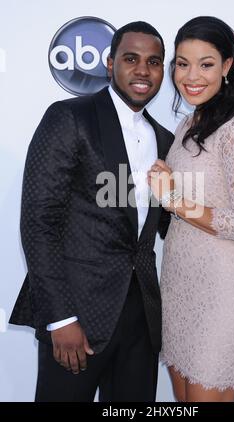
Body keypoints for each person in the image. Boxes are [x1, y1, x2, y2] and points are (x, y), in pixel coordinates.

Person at [9, 21, 174, 402]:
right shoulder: (71, 117)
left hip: (141, 320)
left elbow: (158, 224)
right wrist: (61, 317)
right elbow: (39, 221)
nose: (143, 70)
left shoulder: (163, 139)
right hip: (76, 316)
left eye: (154, 62)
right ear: (110, 61)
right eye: (131, 59)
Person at [148, 16, 234, 402]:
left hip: (224, 294)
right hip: (180, 289)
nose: (191, 76)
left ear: (227, 67)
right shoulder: (187, 125)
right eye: (182, 64)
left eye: (206, 64)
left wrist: (174, 199)